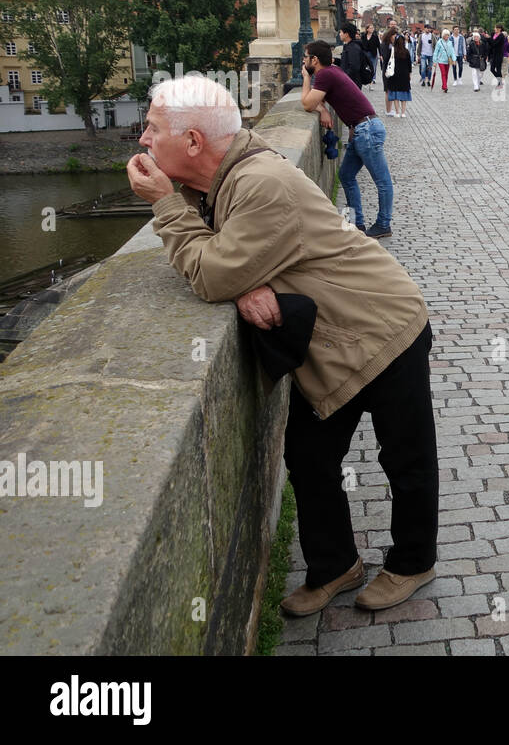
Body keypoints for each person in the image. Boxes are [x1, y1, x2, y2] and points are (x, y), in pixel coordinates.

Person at [126, 75, 437, 616]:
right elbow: (229, 260)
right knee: (310, 457)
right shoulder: (222, 183)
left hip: (385, 328)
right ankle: (336, 566)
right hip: (334, 342)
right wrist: (244, 277)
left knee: (405, 459)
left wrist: (164, 205)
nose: (143, 141)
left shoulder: (259, 183)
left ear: (194, 142)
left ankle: (413, 562)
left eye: (153, 129)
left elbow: (209, 271)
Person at [299, 40, 396, 238]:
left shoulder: (325, 74)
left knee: (382, 180)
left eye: (306, 57)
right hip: (361, 129)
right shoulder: (332, 72)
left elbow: (307, 103)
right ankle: (356, 222)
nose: (303, 61)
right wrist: (324, 110)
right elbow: (317, 102)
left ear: (314, 60)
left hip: (366, 130)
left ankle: (383, 224)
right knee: (346, 175)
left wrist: (305, 78)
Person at [386, 32, 412, 119]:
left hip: (394, 74)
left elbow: (387, 62)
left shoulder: (393, 51)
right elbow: (409, 64)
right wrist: (409, 74)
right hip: (404, 75)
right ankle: (403, 112)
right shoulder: (406, 52)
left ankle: (397, 112)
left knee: (396, 94)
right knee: (404, 94)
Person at [338, 23, 365, 89]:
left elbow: (354, 67)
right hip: (350, 82)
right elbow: (346, 62)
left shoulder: (353, 48)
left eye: (341, 32)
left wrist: (343, 78)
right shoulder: (348, 46)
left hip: (352, 83)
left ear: (346, 34)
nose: (339, 34)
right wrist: (335, 61)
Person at [379, 28, 398, 116]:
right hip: (387, 69)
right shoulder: (384, 45)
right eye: (394, 35)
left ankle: (390, 109)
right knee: (387, 90)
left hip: (391, 68)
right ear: (390, 35)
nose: (395, 37)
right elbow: (385, 57)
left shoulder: (392, 44)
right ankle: (388, 110)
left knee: (390, 89)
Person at [434, 28, 455, 93]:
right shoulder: (439, 42)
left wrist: (454, 60)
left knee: (446, 74)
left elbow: (452, 52)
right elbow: (436, 52)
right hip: (441, 61)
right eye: (446, 35)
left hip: (448, 60)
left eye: (448, 35)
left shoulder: (450, 43)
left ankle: (443, 85)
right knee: (443, 73)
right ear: (443, 35)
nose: (447, 36)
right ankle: (445, 86)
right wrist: (435, 61)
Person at [360, 25, 381, 90]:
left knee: (372, 69)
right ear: (367, 29)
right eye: (370, 28)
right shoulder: (363, 36)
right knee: (365, 68)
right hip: (365, 54)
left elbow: (379, 46)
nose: (372, 29)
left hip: (373, 54)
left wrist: (381, 55)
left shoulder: (375, 37)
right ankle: (365, 82)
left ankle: (371, 84)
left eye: (372, 28)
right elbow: (361, 45)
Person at [489, 24, 507, 88]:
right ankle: (500, 81)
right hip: (493, 54)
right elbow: (491, 44)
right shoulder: (493, 34)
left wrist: (489, 39)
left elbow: (494, 44)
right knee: (492, 69)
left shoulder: (501, 36)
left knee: (498, 69)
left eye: (495, 28)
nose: (494, 29)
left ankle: (500, 83)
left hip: (499, 54)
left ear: (499, 29)